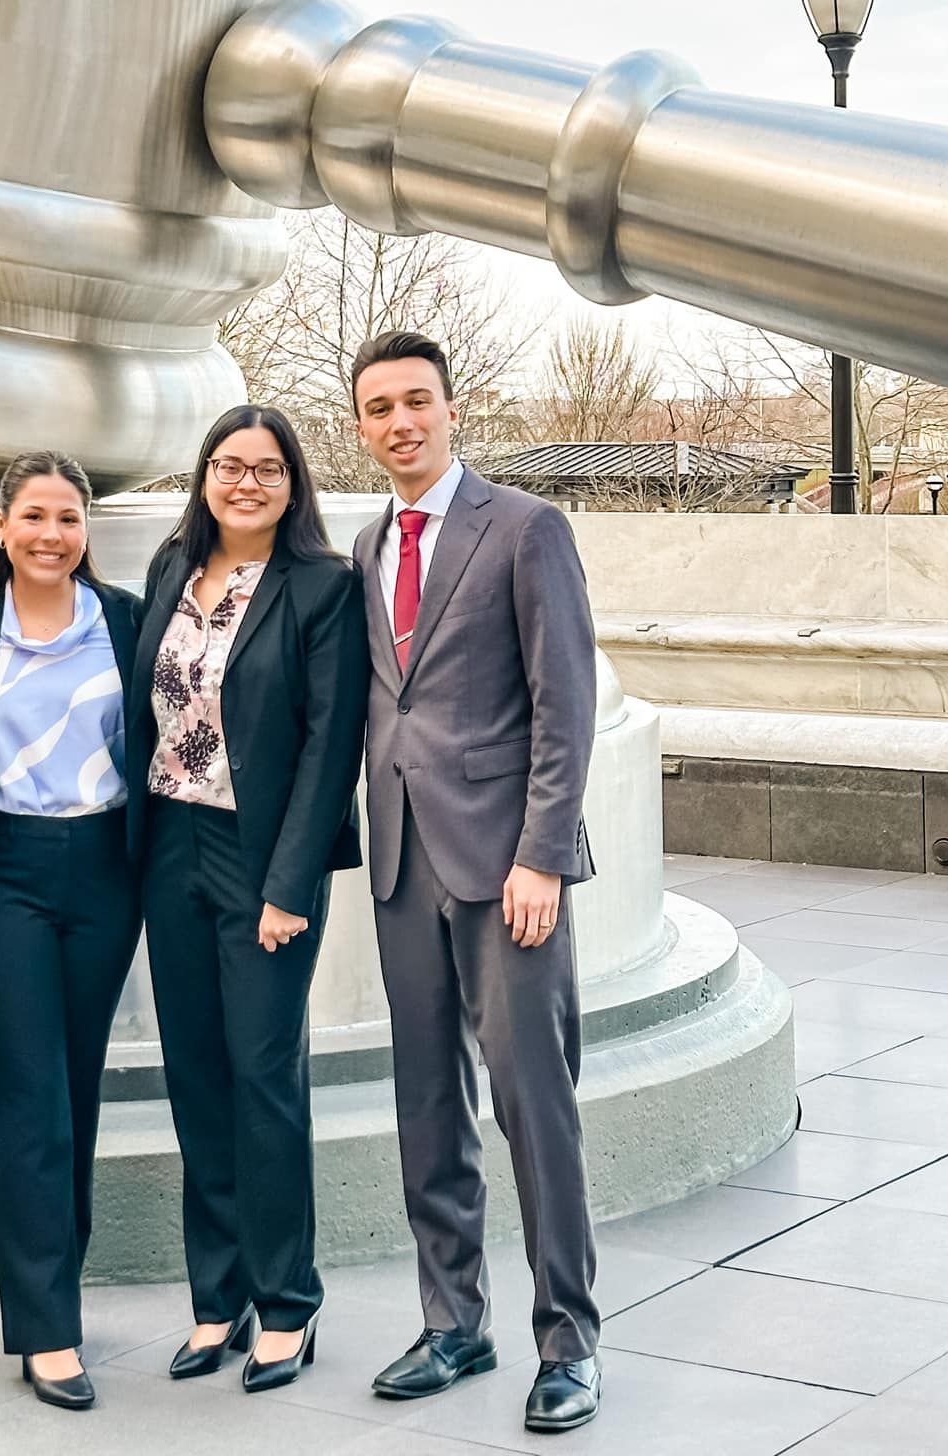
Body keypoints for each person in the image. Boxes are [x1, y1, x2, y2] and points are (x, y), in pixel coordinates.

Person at [350, 331, 602, 1436]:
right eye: (378, 407)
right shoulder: (365, 544)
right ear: (360, 426)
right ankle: (454, 1318)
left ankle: (569, 1339)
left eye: (416, 401)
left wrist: (544, 852)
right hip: (403, 860)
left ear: (453, 409)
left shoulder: (526, 528)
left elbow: (567, 700)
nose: (399, 421)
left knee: (530, 1101)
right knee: (426, 1101)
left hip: (509, 868)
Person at [128, 404, 369, 1395]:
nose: (245, 482)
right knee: (195, 1077)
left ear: (292, 482)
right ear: (204, 473)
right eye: (229, 465)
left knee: (264, 1078)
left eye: (267, 468)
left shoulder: (322, 586)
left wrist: (288, 882)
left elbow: (329, 745)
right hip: (168, 845)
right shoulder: (168, 569)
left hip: (259, 853)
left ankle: (287, 1303)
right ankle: (215, 1298)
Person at [0, 451, 144, 1412]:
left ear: (86, 528)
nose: (50, 535)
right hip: (2, 880)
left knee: (76, 1085)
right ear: (0, 525)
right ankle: (48, 1331)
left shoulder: (128, 620)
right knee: (27, 1092)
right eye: (33, 516)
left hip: (105, 871)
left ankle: (56, 1285)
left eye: (67, 517)